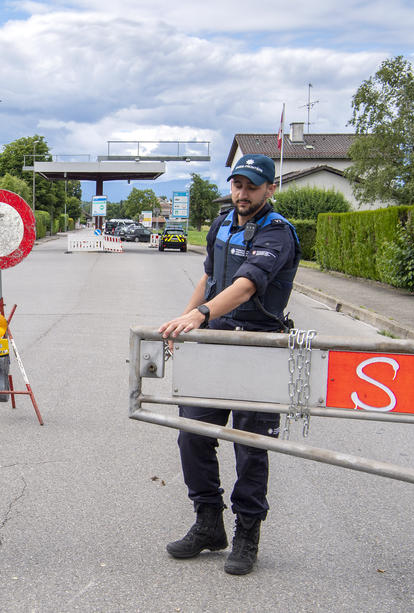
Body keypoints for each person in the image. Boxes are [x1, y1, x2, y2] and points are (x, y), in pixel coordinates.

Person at [158, 154, 300, 576]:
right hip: (213, 345)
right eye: (237, 184)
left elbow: (246, 285)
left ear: (270, 189)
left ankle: (247, 533)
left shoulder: (278, 233)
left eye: (251, 186)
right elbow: (210, 280)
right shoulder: (222, 223)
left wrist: (200, 315)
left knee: (250, 445)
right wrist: (183, 323)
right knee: (193, 434)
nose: (242, 193)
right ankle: (208, 524)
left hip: (257, 349)